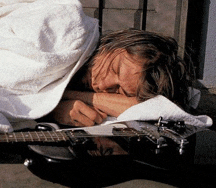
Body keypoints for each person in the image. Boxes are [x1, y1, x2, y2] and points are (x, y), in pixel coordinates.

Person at [50, 28, 193, 127]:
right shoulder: (65, 40)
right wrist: (54, 107)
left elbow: (159, 108)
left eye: (119, 91)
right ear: (114, 44)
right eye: (115, 69)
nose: (103, 85)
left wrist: (72, 97)